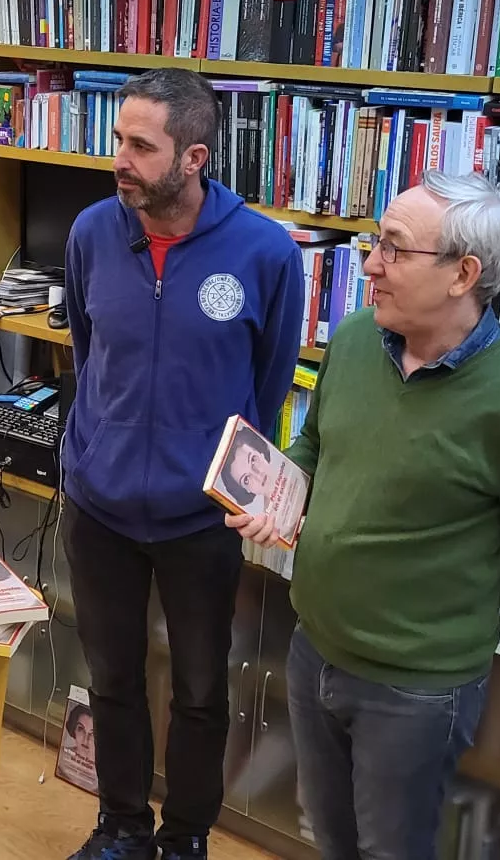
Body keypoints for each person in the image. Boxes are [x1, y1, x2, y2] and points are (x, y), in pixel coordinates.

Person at [230, 171, 500, 860]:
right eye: (375, 242)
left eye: (394, 248)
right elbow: (318, 439)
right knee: (333, 840)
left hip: (416, 687)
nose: (370, 263)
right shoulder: (360, 337)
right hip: (316, 647)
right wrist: (282, 491)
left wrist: (448, 595)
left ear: (463, 274)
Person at [60, 68, 303, 860]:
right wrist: (97, 451)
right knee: (113, 679)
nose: (120, 158)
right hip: (98, 508)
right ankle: (122, 827)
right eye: (118, 139)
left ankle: (185, 836)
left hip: (200, 519)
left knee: (202, 690)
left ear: (194, 157)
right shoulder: (93, 232)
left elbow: (264, 392)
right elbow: (91, 355)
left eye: (140, 145)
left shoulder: (265, 252)